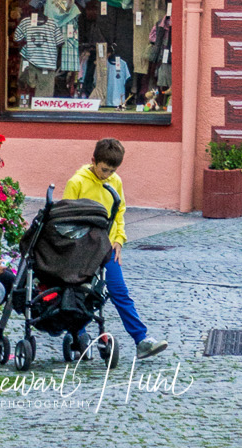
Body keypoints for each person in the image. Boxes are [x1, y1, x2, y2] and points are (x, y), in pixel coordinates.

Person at [63, 138, 167, 361]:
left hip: (107, 248)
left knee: (120, 292)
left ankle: (141, 340)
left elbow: (119, 213)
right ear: (93, 161)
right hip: (82, 250)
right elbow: (66, 219)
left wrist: (119, 239)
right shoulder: (77, 183)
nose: (107, 175)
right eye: (104, 169)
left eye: (112, 170)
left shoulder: (115, 182)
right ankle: (79, 335)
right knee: (82, 293)